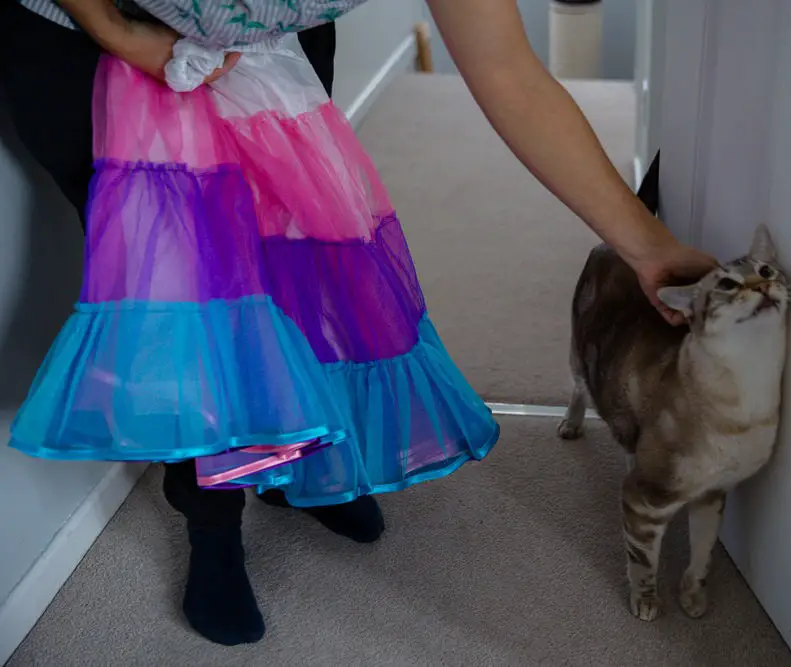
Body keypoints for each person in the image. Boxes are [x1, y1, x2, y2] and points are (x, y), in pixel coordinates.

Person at [0, 0, 717, 648]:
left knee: (299, 260)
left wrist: (644, 244)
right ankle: (210, 523)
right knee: (192, 305)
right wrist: (113, 28)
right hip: (88, 44)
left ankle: (289, 469)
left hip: (270, 48)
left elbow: (507, 70)